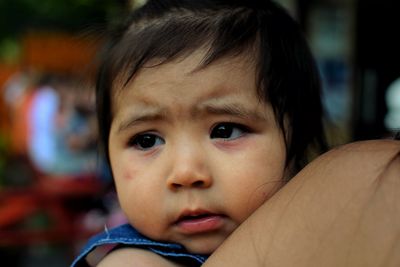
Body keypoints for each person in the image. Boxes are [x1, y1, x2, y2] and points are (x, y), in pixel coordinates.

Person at [71, 0, 399, 266]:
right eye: (147, 140)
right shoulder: (134, 262)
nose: (185, 173)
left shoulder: (329, 231)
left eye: (225, 131)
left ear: (296, 136)